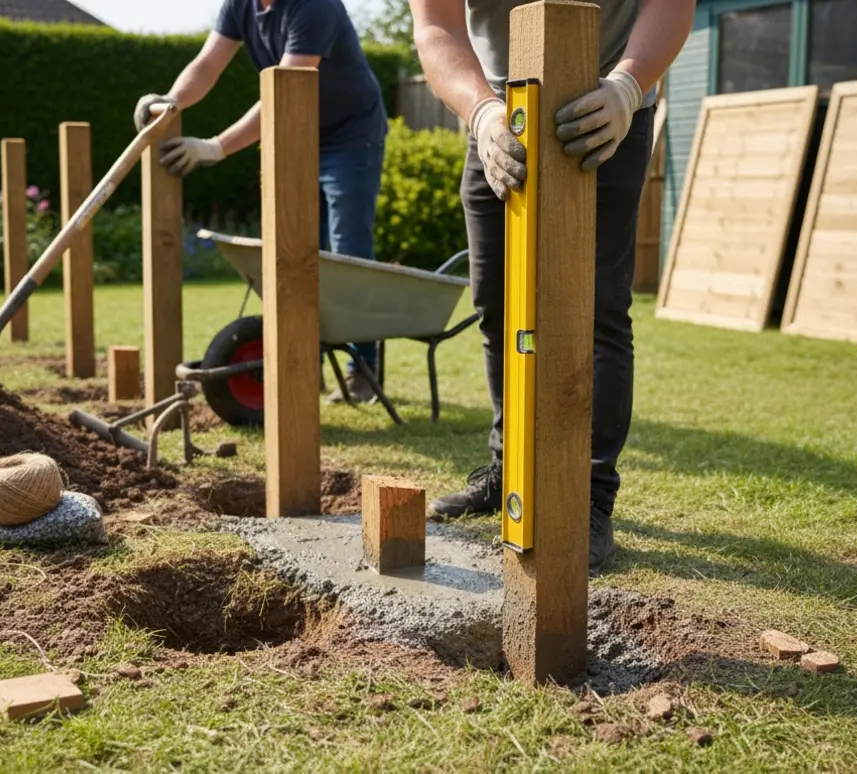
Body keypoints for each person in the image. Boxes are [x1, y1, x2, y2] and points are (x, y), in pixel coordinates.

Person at [411, 0, 695, 569]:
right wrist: (481, 113)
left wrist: (627, 88)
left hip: (604, 106)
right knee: (497, 301)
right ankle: (508, 468)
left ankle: (589, 500)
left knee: (597, 310)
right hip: (500, 112)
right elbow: (436, 26)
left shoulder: (617, 96)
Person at [134, 0, 390, 405]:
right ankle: (304, 362)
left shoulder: (314, 6)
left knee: (347, 251)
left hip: (350, 136)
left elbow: (285, 86)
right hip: (295, 131)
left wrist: (217, 147)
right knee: (298, 248)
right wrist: (171, 102)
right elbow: (206, 65)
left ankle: (363, 368)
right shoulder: (241, 5)